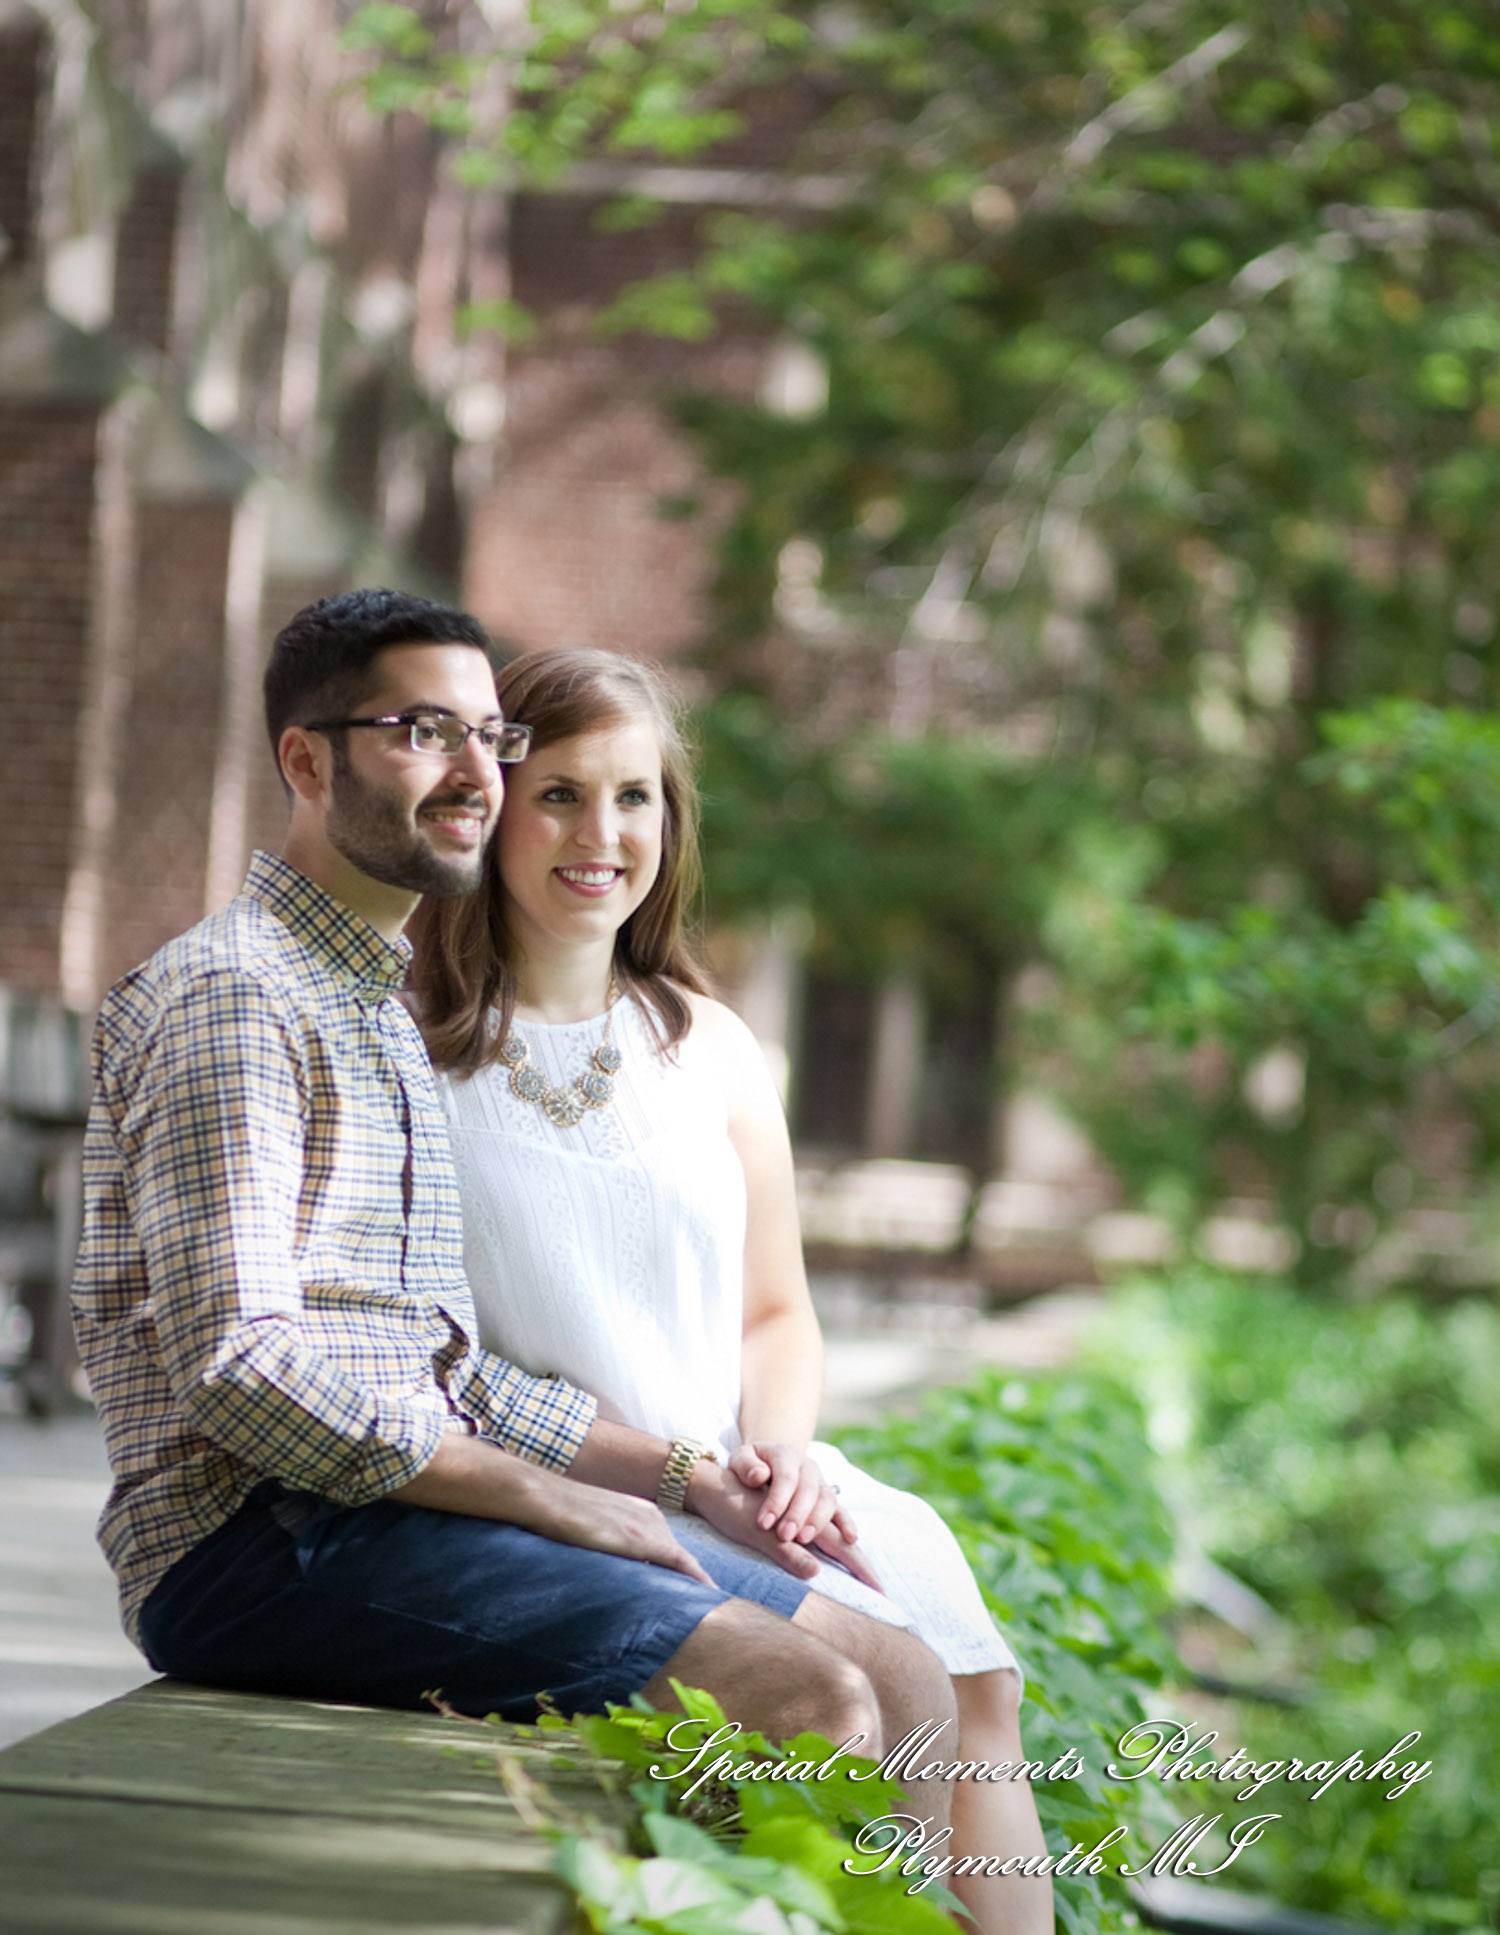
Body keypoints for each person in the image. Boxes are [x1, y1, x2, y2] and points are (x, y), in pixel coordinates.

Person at [70, 589, 960, 1773]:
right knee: (811, 1700)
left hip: (386, 1515)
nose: (470, 772)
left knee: (903, 1668)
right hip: (262, 1544)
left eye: (488, 737)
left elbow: (442, 1363)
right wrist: (539, 1497)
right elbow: (243, 1371)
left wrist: (684, 1476)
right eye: (419, 731)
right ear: (307, 761)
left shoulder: (365, 1007)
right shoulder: (241, 998)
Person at [409, 646, 1055, 1935]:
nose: (603, 834)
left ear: (672, 822)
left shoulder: (707, 1046)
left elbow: (775, 1310)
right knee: (888, 1684)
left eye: (636, 797)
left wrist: (789, 1448)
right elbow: (425, 1361)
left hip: (739, 1471)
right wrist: (686, 1476)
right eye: (563, 795)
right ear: (494, 810)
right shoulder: (410, 1051)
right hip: (572, 1494)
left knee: (977, 1675)